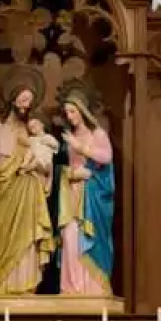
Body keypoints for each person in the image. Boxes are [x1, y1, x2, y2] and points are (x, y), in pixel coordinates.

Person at [0, 85, 55, 298]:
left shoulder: (31, 129)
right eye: (22, 99)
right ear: (12, 99)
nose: (25, 105)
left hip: (29, 187)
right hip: (4, 187)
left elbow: (46, 160)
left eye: (29, 101)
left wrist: (39, 166)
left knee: (28, 236)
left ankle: (25, 285)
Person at [54, 86, 115, 296]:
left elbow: (106, 158)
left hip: (93, 197)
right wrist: (70, 174)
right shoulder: (69, 138)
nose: (70, 117)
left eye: (73, 111)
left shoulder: (97, 134)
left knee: (89, 239)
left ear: (82, 110)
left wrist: (80, 148)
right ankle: (71, 288)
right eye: (67, 113)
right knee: (70, 237)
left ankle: (93, 288)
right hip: (72, 194)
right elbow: (63, 168)